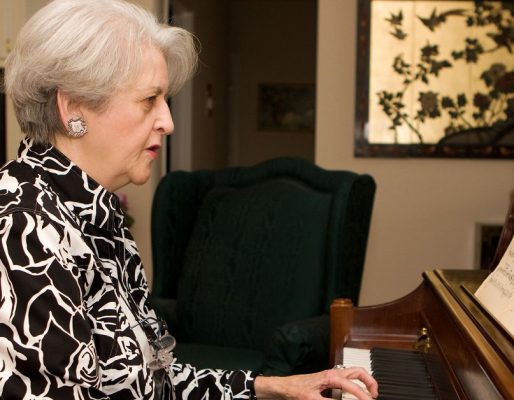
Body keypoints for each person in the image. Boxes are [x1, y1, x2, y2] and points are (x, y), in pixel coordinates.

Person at [0, 0, 378, 399]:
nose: (168, 121)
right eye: (149, 100)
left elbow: (153, 382)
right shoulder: (22, 226)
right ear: (73, 107)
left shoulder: (95, 214)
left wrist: (272, 387)